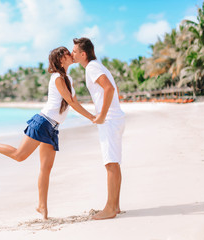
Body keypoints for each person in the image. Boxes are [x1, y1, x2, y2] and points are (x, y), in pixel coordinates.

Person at [0, 46, 95, 220]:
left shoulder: (68, 78)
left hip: (52, 128)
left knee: (46, 168)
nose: (71, 55)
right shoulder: (58, 78)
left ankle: (42, 207)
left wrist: (92, 114)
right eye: (68, 53)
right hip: (43, 123)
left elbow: (73, 102)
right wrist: (92, 117)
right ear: (61, 59)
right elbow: (71, 103)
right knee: (19, 155)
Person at [72, 37, 125, 220]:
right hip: (115, 118)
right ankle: (115, 206)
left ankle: (110, 209)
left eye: (74, 52)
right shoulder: (98, 66)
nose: (72, 54)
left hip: (109, 120)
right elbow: (113, 88)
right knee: (114, 162)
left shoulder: (92, 67)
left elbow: (109, 89)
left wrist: (102, 114)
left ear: (83, 54)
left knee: (110, 163)